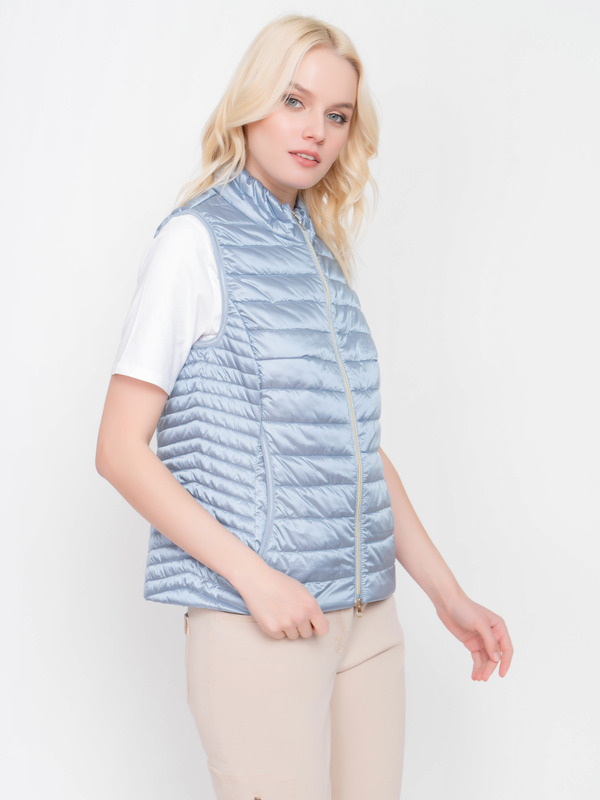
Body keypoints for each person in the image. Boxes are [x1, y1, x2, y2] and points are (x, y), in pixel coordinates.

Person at [95, 13, 513, 800]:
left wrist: (447, 594)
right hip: (262, 621)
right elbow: (119, 449)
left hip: (366, 618)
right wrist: (256, 581)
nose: (317, 130)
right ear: (250, 103)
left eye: (338, 114)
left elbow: (358, 451)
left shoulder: (321, 258)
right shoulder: (195, 243)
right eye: (294, 100)